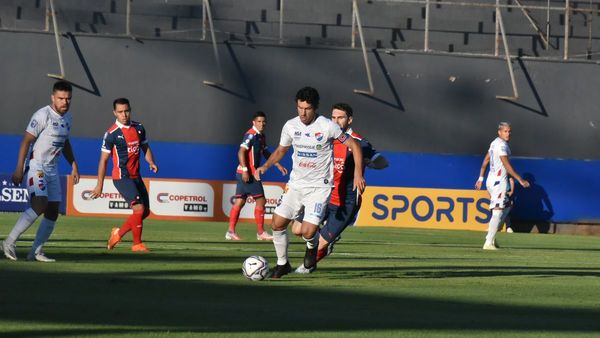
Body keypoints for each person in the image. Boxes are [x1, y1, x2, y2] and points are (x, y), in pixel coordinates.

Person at [254, 87, 366, 279]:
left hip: (319, 187)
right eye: (299, 108)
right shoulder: (290, 125)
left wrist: (357, 174)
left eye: (307, 109)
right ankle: (283, 264)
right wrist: (265, 166)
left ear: (315, 108)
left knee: (307, 231)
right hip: (295, 185)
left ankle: (311, 248)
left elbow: (354, 145)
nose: (302, 112)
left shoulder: (327, 126)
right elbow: (281, 150)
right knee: (277, 223)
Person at [292, 103, 389, 273]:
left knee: (321, 243)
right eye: (333, 117)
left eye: (341, 117)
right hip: (323, 195)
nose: (336, 121)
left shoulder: (360, 144)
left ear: (349, 120)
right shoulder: (326, 137)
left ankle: (308, 266)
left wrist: (370, 163)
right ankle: (326, 238)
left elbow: (383, 161)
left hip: (346, 201)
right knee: (297, 229)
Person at [2, 80, 80, 262]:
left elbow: (65, 142)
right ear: (53, 97)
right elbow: (26, 141)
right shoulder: (42, 115)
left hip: (53, 169)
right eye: (61, 98)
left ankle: (35, 252)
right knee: (39, 204)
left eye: (68, 99)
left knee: (53, 211)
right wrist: (19, 169)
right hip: (37, 167)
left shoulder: (68, 118)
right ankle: (9, 242)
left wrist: (74, 164)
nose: (65, 102)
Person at [89, 98, 158, 252]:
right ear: (115, 113)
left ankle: (117, 233)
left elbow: (145, 148)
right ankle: (137, 244)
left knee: (144, 212)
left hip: (136, 176)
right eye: (120, 112)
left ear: (130, 110)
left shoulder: (139, 128)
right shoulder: (111, 134)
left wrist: (151, 162)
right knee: (139, 209)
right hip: (121, 177)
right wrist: (99, 185)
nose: (124, 114)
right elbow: (103, 160)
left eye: (126, 111)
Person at [226, 111, 288, 241]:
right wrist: (245, 170)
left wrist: (277, 165)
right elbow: (241, 152)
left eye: (263, 121)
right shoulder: (251, 135)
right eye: (259, 121)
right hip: (250, 173)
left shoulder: (261, 136)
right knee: (261, 200)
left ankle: (231, 231)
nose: (262, 124)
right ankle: (260, 233)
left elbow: (265, 152)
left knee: (240, 201)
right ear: (253, 122)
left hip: (245, 172)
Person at [475, 122, 529, 250]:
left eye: (509, 131)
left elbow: (486, 160)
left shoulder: (494, 143)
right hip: (499, 181)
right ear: (499, 132)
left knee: (507, 206)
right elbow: (506, 164)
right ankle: (488, 242)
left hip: (490, 179)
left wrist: (481, 178)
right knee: (498, 212)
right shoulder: (501, 146)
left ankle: (491, 237)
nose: (508, 133)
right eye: (505, 131)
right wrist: (519, 179)